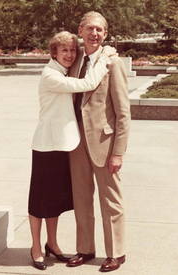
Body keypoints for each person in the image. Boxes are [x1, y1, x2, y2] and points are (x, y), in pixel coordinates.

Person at [28, 30, 116, 270]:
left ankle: (52, 245)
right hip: (46, 146)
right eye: (64, 50)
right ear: (53, 53)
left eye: (72, 50)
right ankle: (36, 248)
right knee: (39, 201)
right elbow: (88, 83)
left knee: (53, 201)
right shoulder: (50, 76)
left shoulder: (62, 71)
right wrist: (105, 58)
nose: (69, 54)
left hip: (64, 145)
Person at [67, 11, 131, 272]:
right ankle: (85, 248)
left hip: (104, 144)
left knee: (111, 200)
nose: (94, 33)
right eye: (90, 28)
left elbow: (123, 112)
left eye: (100, 30)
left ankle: (116, 252)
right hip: (76, 143)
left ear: (105, 34)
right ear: (80, 31)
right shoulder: (74, 59)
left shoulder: (113, 63)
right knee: (81, 198)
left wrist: (118, 152)